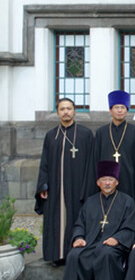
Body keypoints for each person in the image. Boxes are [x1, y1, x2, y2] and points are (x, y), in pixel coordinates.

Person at [49, 161, 135, 280]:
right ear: (98, 183)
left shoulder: (127, 201)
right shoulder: (90, 201)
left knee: (106, 253)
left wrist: (117, 239)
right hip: (90, 242)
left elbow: (131, 227)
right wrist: (78, 237)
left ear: (117, 182)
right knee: (75, 254)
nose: (107, 183)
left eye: (110, 180)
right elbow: (79, 224)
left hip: (113, 246)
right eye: (104, 180)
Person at [35, 98, 94, 265]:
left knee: (76, 217)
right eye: (62, 109)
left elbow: (91, 163)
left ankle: (74, 254)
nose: (66, 112)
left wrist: (88, 188)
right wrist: (43, 185)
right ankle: (56, 255)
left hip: (77, 187)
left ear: (75, 111)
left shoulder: (85, 134)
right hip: (55, 188)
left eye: (69, 108)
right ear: (58, 112)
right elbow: (44, 162)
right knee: (56, 219)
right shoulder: (51, 135)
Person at [92, 90, 135, 214]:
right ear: (110, 110)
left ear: (127, 110)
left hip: (129, 180)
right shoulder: (101, 133)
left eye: (122, 107)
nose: (119, 110)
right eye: (116, 107)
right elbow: (95, 159)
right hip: (106, 182)